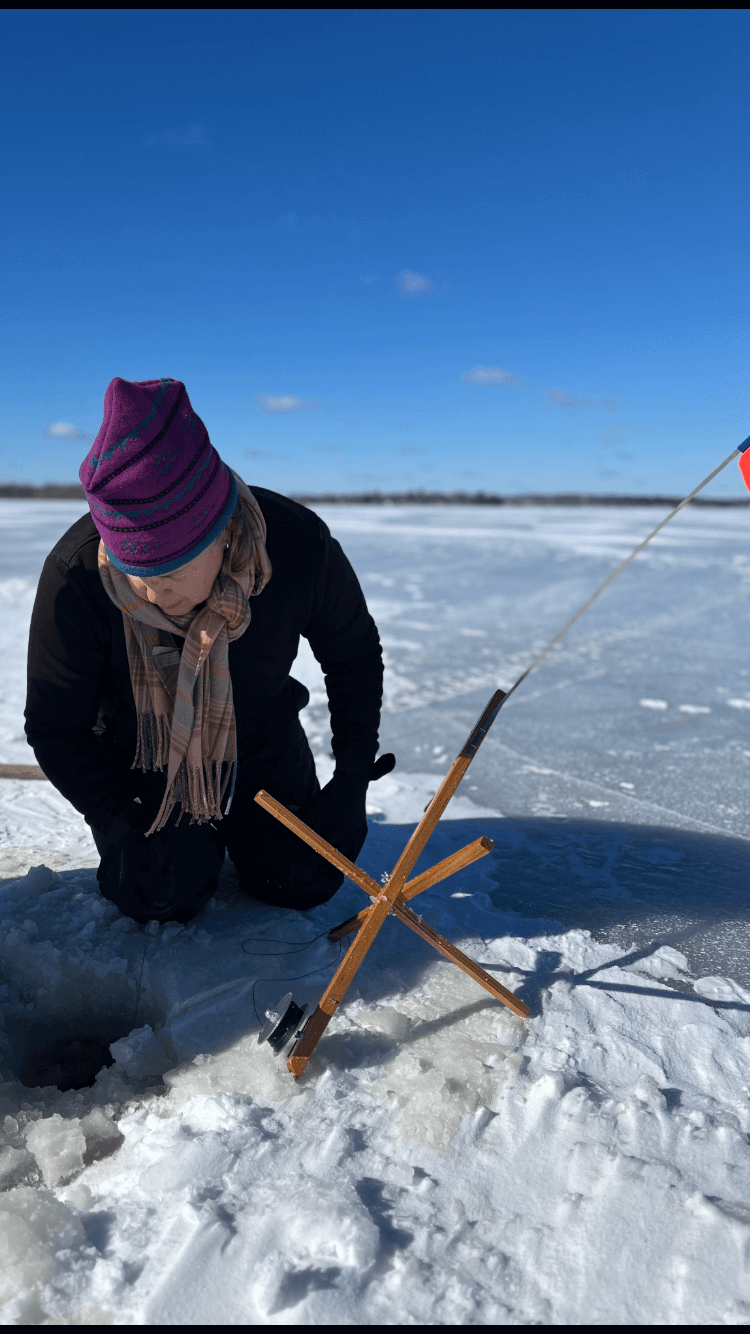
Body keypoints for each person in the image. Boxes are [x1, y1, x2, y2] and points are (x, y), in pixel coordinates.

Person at [25, 376, 392, 924]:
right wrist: (115, 817)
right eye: (132, 571)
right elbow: (55, 723)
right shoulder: (78, 573)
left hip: (261, 737)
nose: (148, 593)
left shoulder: (297, 544)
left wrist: (352, 778)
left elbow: (353, 655)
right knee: (159, 894)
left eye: (167, 571)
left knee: (303, 878)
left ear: (220, 534)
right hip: (139, 753)